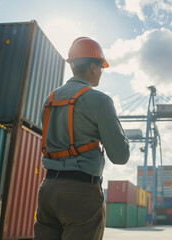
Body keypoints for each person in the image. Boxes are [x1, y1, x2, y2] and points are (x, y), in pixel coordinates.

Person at [34, 37, 130, 240]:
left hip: (47, 188)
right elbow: (120, 156)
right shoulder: (100, 100)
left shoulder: (49, 99)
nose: (101, 72)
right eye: (102, 67)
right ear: (94, 67)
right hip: (81, 192)